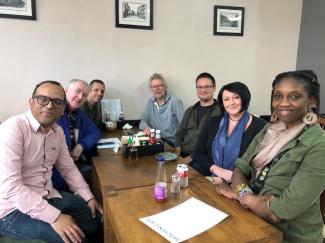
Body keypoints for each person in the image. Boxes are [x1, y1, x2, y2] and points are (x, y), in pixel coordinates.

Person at [220, 70, 325, 242]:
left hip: (290, 236)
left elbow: (283, 210)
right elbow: (240, 168)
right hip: (252, 222)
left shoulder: (319, 144)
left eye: (294, 96)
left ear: (311, 100)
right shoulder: (268, 130)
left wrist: (240, 195)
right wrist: (247, 196)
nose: (283, 103)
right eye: (278, 96)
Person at [0, 81, 102, 242]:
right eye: (43, 99)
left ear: (62, 109)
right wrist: (55, 217)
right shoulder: (13, 128)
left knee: (95, 218)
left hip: (48, 195)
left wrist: (89, 197)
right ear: (31, 102)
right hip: (12, 209)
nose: (49, 106)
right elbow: (10, 188)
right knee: (74, 239)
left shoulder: (57, 131)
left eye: (57, 102)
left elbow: (68, 168)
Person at [193, 82, 266, 182]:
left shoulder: (261, 126)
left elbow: (260, 163)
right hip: (212, 177)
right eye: (226, 99)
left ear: (244, 98)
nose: (231, 103)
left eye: (236, 97)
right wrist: (217, 170)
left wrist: (234, 178)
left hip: (242, 183)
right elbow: (198, 152)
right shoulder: (212, 122)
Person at [52, 79, 101, 190]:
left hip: (71, 164)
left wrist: (80, 146)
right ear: (65, 91)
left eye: (84, 95)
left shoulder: (78, 113)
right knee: (97, 175)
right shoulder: (54, 112)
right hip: (55, 173)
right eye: (77, 91)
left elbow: (95, 132)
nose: (80, 97)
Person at [174, 72, 220, 164]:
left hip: (203, 159)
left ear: (214, 88)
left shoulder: (221, 112)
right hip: (182, 155)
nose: (203, 90)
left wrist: (189, 159)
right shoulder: (190, 110)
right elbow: (179, 134)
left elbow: (213, 143)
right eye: (200, 87)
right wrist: (177, 155)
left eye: (207, 86)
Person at [139, 73, 184, 146]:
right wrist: (146, 128)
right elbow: (143, 120)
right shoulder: (150, 102)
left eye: (159, 86)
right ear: (151, 89)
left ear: (165, 87)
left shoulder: (175, 101)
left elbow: (184, 126)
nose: (157, 89)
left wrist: (178, 146)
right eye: (154, 87)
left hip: (171, 144)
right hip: (156, 141)